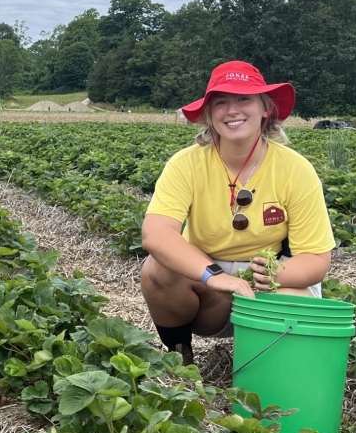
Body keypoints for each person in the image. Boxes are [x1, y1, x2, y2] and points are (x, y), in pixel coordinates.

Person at [139, 61, 334, 366]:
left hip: (271, 283)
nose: (232, 110)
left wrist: (272, 276)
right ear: (208, 114)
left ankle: (269, 365)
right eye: (221, 102)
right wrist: (214, 276)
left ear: (265, 109)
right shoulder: (186, 164)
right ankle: (180, 359)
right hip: (211, 289)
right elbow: (156, 233)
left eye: (244, 99)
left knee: (294, 307)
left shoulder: (295, 169)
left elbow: (316, 260)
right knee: (157, 270)